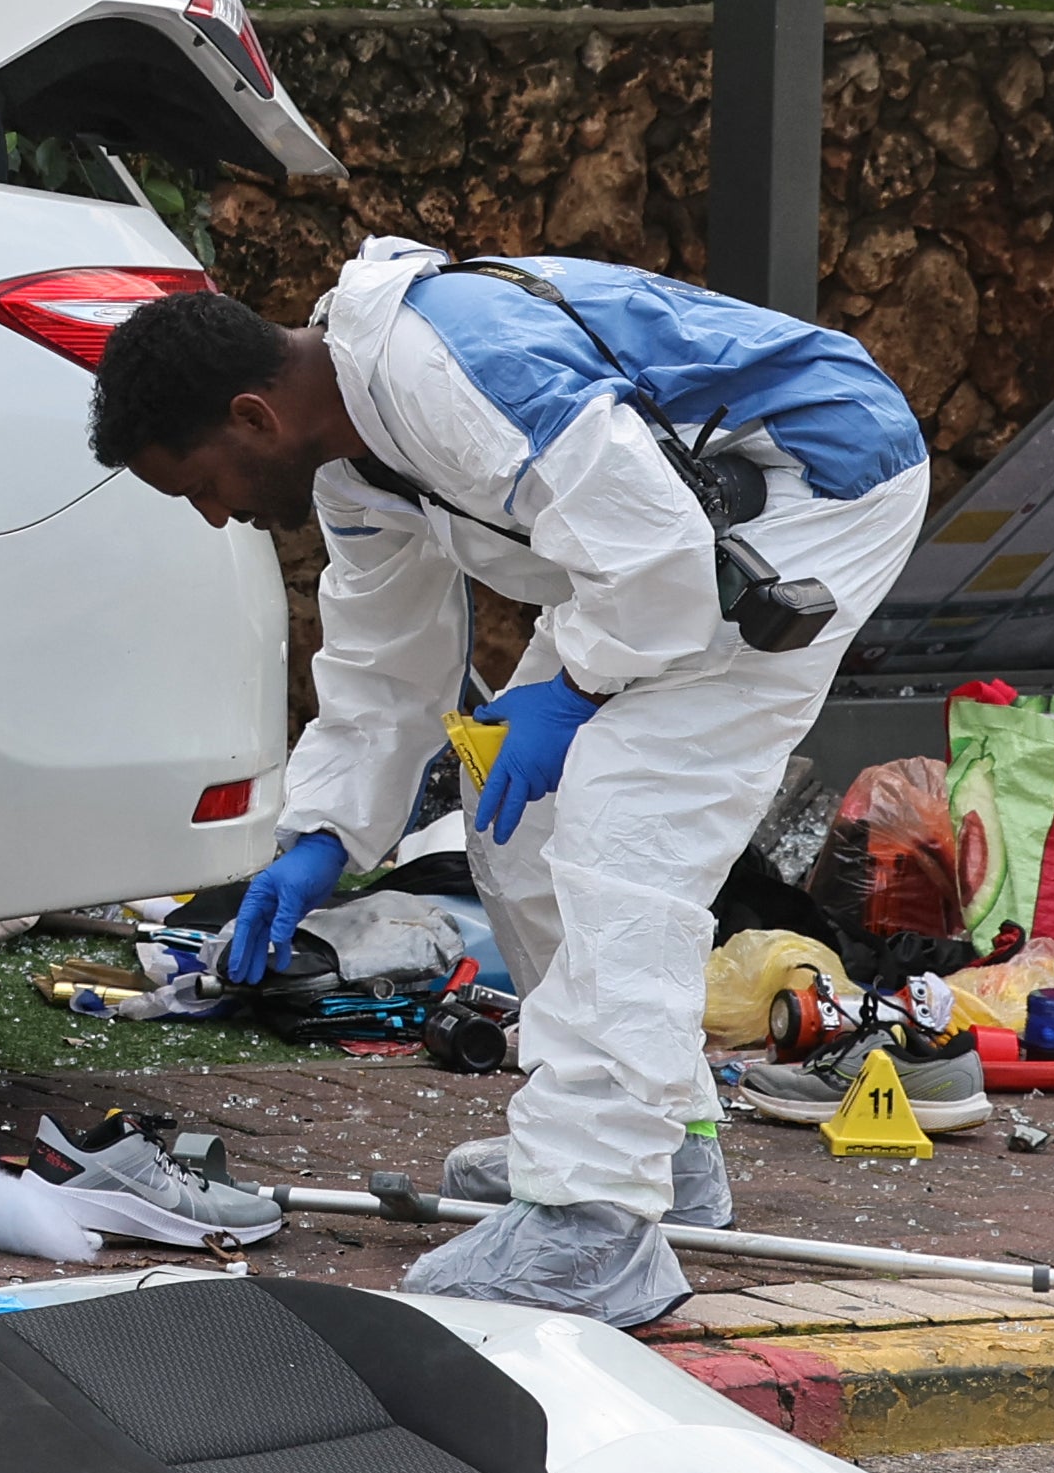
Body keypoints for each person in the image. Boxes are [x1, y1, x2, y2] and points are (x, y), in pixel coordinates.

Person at [87, 245, 932, 1328]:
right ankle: (658, 1151)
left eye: (201, 484)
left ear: (254, 417)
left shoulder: (450, 373)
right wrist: (321, 838)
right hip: (676, 544)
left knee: (625, 820)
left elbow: (661, 556)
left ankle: (597, 1220)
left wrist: (575, 686)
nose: (214, 513)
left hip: (817, 488)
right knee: (517, 818)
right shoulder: (353, 462)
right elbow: (385, 672)